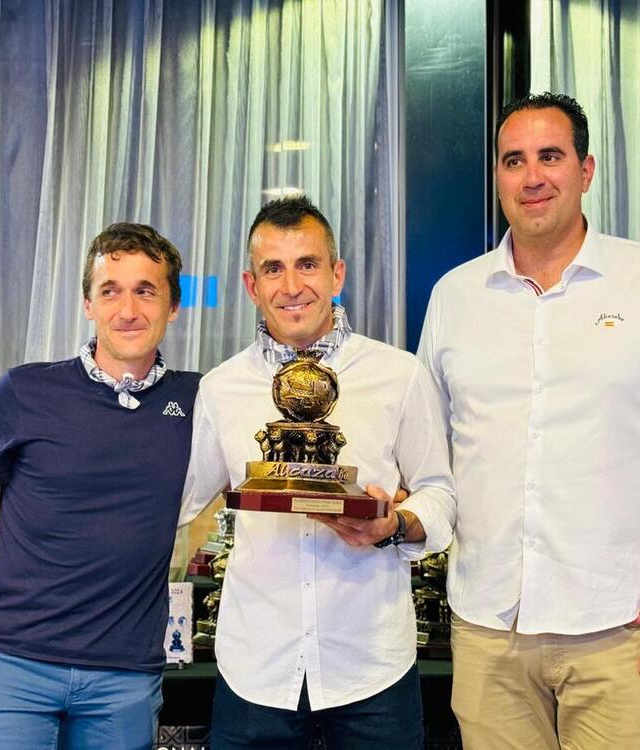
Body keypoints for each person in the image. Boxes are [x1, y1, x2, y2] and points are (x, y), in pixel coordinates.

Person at [418, 91, 640, 749]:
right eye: (513, 160)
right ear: (497, 177)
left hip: (625, 634)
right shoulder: (454, 298)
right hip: (488, 632)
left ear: (587, 169)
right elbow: (426, 459)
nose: (532, 176)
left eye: (551, 156)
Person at [180, 195, 456, 749]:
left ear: (337, 274)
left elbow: (440, 495)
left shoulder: (398, 375)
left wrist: (395, 523)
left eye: (307, 264)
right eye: (272, 269)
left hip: (371, 665)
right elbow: (179, 504)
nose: (291, 285)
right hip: (257, 668)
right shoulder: (221, 388)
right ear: (250, 285)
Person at [0, 223, 199, 749]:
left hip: (125, 677)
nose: (128, 309)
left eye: (146, 290)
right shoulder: (24, 391)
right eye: (110, 291)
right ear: (88, 305)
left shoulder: (200, 403)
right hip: (11, 665)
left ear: (173, 306)